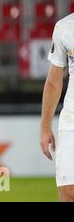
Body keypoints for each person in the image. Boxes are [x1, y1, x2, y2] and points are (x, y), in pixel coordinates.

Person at [40, 16, 74, 202]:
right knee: (68, 193)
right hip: (71, 122)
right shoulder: (64, 27)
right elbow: (54, 80)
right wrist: (45, 127)